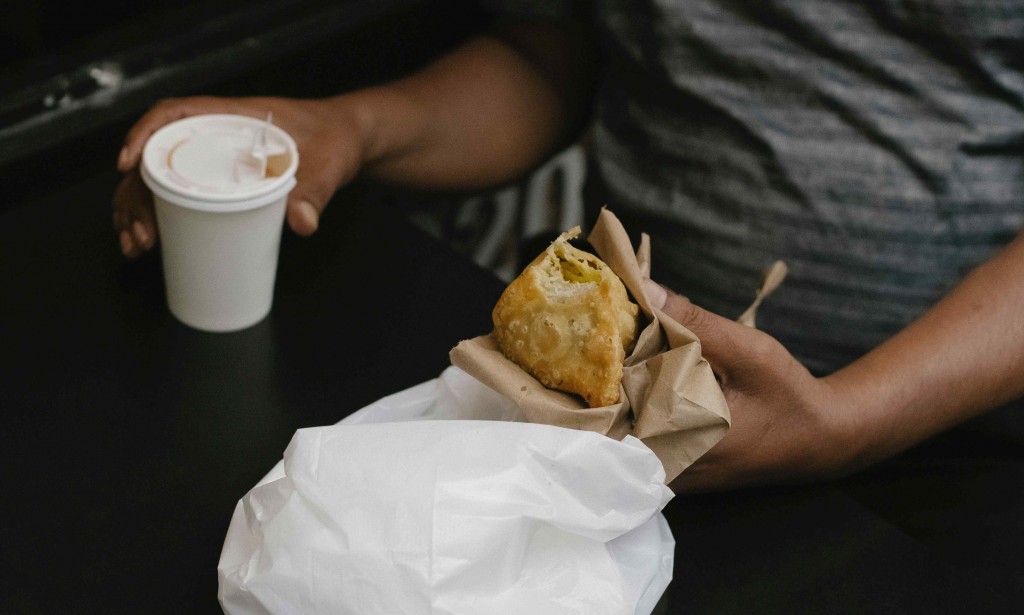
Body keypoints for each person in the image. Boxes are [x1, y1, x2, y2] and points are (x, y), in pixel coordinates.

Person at [113, 1, 1024, 492]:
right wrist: (355, 127)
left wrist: (849, 420)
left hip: (931, 457)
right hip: (601, 420)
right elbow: (554, 57)